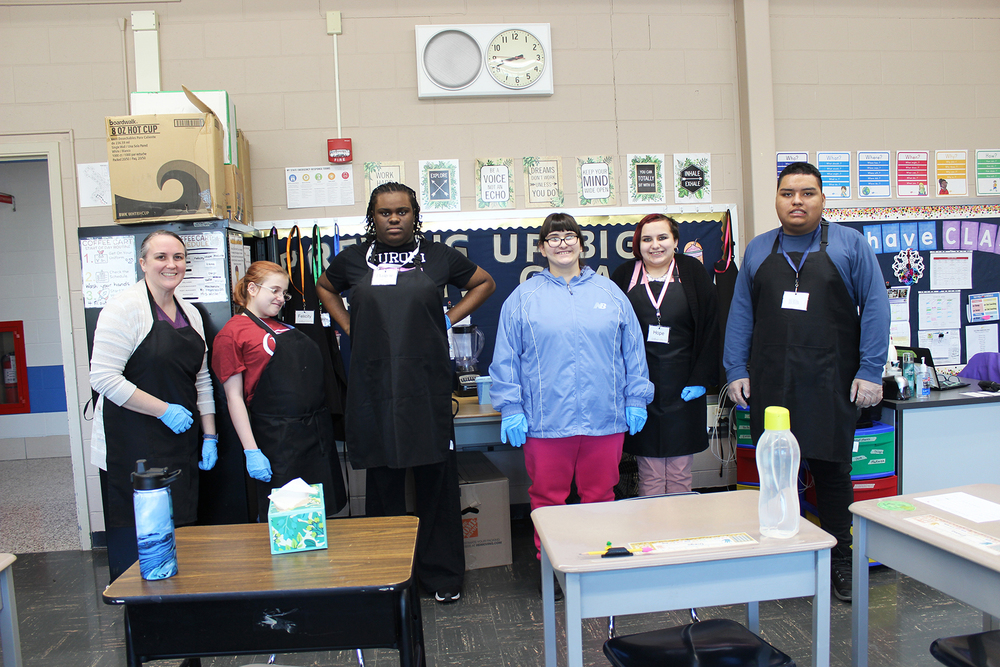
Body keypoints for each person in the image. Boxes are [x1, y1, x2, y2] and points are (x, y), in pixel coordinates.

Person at [316, 182, 495, 604]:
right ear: (372, 217)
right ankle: (388, 575)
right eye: (384, 213)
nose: (393, 219)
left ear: (415, 214)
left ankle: (442, 576)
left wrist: (446, 320)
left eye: (401, 211)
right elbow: (325, 287)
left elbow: (483, 283)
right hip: (373, 389)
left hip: (425, 388)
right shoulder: (354, 260)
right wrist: (348, 327)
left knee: (436, 481)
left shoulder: (436, 256)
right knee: (383, 485)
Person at [723, 162, 890, 603]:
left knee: (833, 473)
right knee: (776, 473)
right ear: (776, 199)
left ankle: (841, 561)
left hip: (831, 378)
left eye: (808, 192)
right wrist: (735, 369)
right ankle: (782, 557)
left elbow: (875, 308)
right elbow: (741, 313)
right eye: (788, 193)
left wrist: (871, 372)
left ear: (822, 198)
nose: (797, 201)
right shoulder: (758, 250)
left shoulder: (850, 246)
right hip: (772, 380)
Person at [490, 212, 654, 562]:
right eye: (554, 238)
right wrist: (511, 407)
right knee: (548, 500)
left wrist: (636, 397)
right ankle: (552, 567)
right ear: (541, 247)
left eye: (569, 237)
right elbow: (505, 358)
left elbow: (634, 351)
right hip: (546, 422)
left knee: (600, 497)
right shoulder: (523, 297)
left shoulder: (609, 294)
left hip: (604, 419)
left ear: (581, 244)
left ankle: (599, 563)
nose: (562, 244)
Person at [90, 230, 217, 581]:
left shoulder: (190, 313)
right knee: (140, 545)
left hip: (178, 443)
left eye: (178, 257)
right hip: (131, 443)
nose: (171, 264)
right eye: (161, 257)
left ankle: (177, 613)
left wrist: (209, 435)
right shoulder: (124, 308)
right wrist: (164, 410)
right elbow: (103, 378)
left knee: (180, 533)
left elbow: (201, 379)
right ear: (143, 262)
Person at [212, 261, 346, 521]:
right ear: (252, 288)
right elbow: (234, 398)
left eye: (284, 293)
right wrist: (251, 450)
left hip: (315, 436)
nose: (281, 299)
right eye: (274, 290)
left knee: (318, 520)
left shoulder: (283, 326)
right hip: (278, 443)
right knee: (289, 525)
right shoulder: (232, 334)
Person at [611, 214, 719, 495]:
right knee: (650, 474)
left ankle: (681, 534)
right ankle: (653, 535)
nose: (655, 245)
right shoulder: (624, 275)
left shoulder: (693, 272)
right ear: (638, 244)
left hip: (685, 387)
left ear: (675, 241)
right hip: (640, 387)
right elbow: (611, 333)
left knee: (681, 472)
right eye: (647, 239)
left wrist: (701, 378)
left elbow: (711, 326)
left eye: (662, 238)